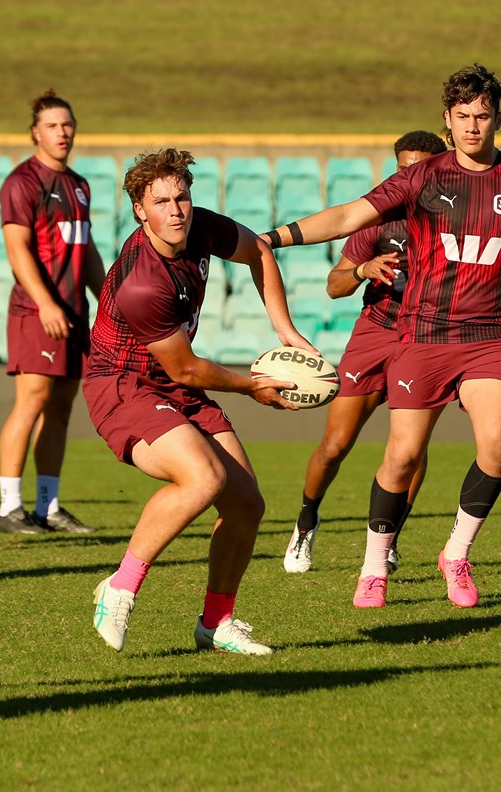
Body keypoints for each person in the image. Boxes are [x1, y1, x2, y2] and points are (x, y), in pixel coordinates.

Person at [260, 64, 501, 609]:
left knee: (497, 447)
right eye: (462, 117)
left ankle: (456, 553)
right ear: (447, 121)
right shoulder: (423, 176)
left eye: (482, 116)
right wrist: (269, 238)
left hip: (493, 337)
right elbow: (346, 216)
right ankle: (373, 564)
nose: (473, 126)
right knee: (402, 457)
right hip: (424, 336)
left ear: (499, 117)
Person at [86, 148, 315, 654]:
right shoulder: (142, 284)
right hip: (122, 384)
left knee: (246, 506)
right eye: (161, 202)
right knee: (203, 478)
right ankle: (119, 588)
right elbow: (187, 367)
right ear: (140, 211)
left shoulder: (200, 228)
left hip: (173, 384)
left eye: (182, 197)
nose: (175, 210)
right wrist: (255, 386)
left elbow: (259, 251)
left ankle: (216, 623)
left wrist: (285, 331)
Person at [283, 131, 446, 574]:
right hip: (375, 335)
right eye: (402, 168)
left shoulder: (458, 218)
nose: (410, 176)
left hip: (427, 339)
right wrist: (361, 269)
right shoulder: (377, 218)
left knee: (411, 450)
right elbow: (334, 286)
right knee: (335, 445)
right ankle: (305, 522)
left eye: (420, 168)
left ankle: (389, 538)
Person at [0, 91, 106, 535]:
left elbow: (88, 250)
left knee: (60, 410)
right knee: (32, 402)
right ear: (35, 132)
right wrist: (45, 303)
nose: (62, 132)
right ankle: (8, 508)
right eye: (53, 125)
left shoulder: (79, 185)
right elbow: (17, 249)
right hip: (36, 312)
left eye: (68, 124)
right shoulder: (22, 182)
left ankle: (48, 506)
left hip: (74, 312)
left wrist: (108, 300)